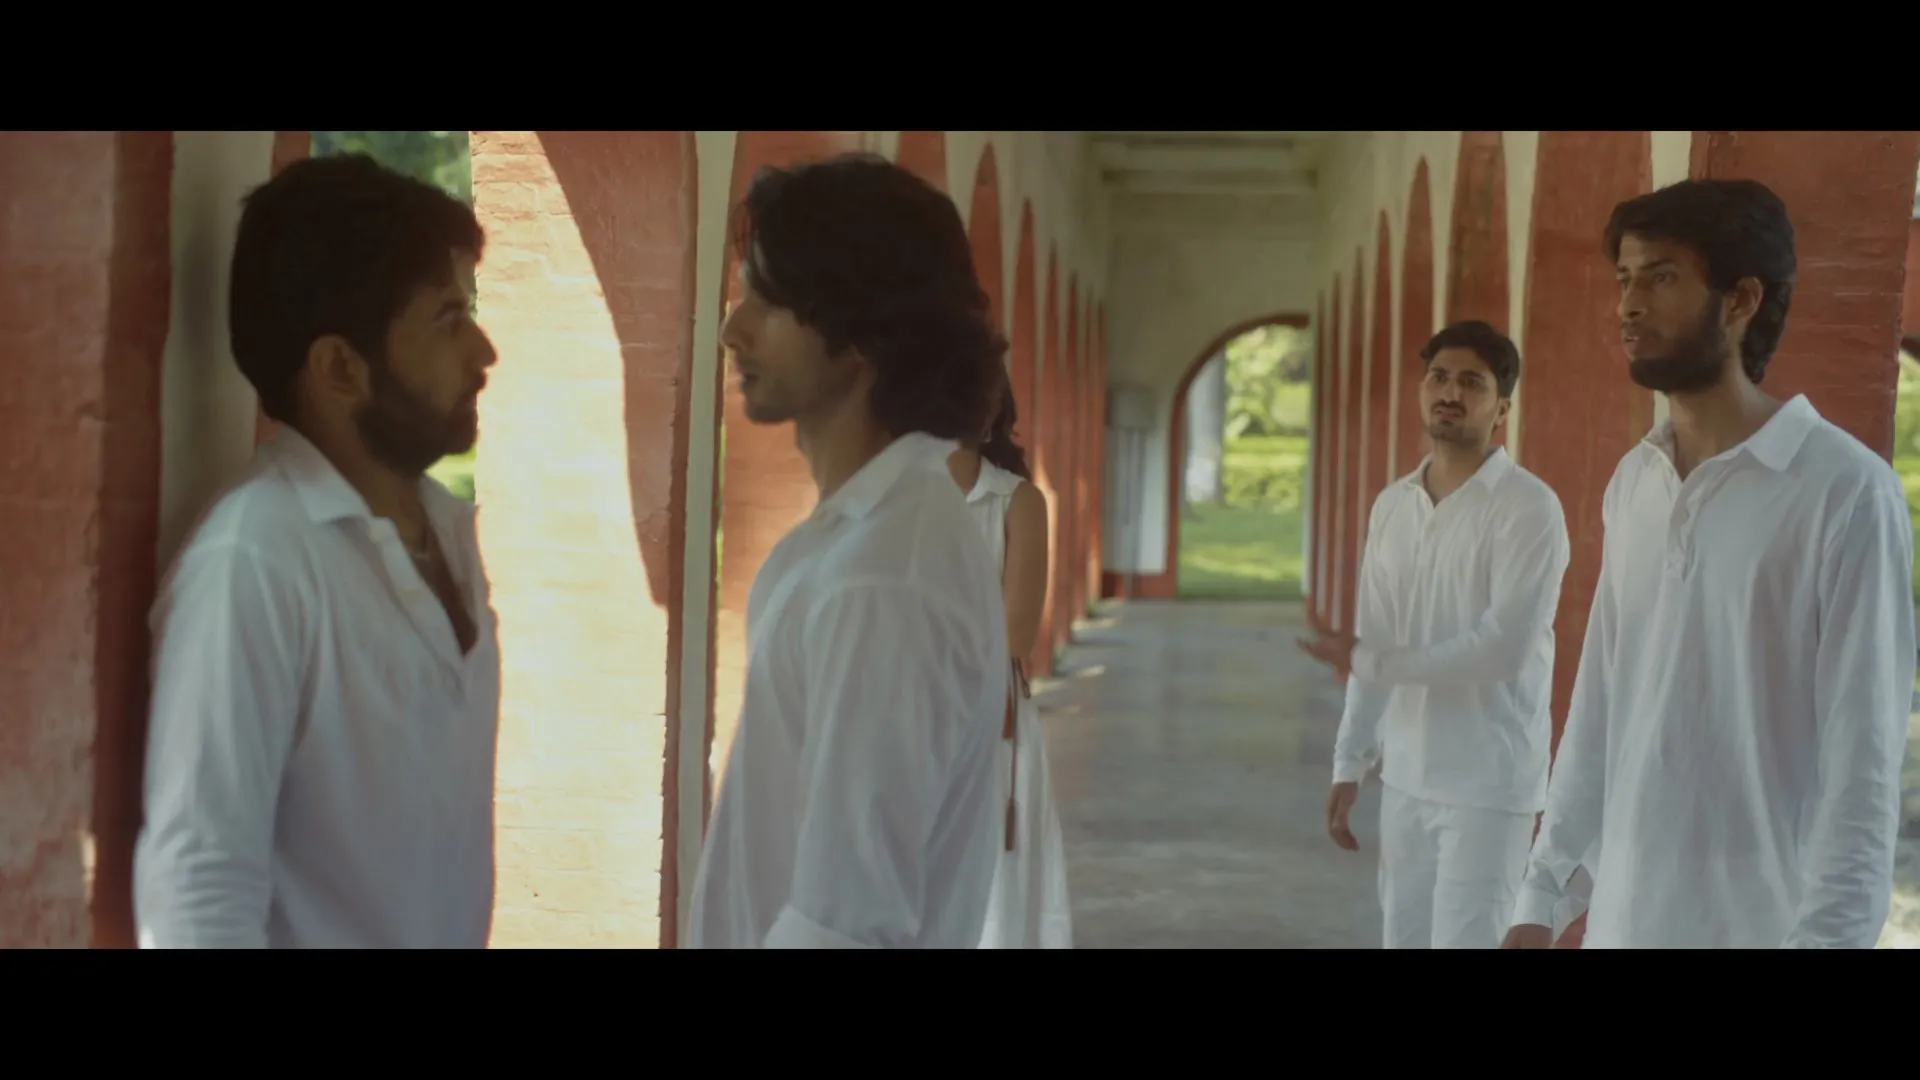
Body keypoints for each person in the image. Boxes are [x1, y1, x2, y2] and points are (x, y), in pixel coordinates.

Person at [1504, 178, 1915, 950]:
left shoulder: (1843, 491)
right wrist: (1543, 893)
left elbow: (1862, 766)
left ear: (1741, 300)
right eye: (1624, 279)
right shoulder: (1637, 480)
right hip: (1624, 920)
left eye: (1661, 278)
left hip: (1763, 928)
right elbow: (1601, 704)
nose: (1629, 305)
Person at [133, 153, 502, 948]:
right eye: (448, 320)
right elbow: (198, 892)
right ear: (340, 367)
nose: (483, 353)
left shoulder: (443, 527)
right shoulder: (255, 564)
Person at [685, 153, 1013, 949]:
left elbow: (847, 922)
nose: (732, 328)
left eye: (768, 303)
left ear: (863, 332)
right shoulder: (866, 536)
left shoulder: (885, 577)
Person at [1299, 320, 1571, 949]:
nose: (1450, 393)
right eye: (1439, 378)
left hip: (1488, 785)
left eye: (1471, 383)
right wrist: (1350, 758)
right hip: (1406, 776)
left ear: (1501, 408)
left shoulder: (1528, 507)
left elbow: (1503, 648)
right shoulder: (1393, 505)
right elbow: (1375, 634)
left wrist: (1371, 660)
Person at [948, 383, 1074, 949]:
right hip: (895, 717)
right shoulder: (891, 499)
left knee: (992, 893)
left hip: (985, 723)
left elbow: (1016, 633)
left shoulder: (1016, 501)